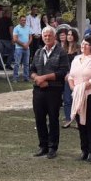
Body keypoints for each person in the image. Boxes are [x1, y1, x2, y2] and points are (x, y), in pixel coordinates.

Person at [30, 27, 70, 159]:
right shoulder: (38, 52)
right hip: (38, 90)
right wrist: (37, 78)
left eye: (49, 35)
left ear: (54, 37)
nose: (47, 38)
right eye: (45, 36)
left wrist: (45, 78)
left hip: (54, 90)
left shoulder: (61, 52)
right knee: (39, 119)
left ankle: (53, 147)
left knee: (53, 119)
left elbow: (63, 72)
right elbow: (32, 69)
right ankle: (43, 146)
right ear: (42, 37)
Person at [68, 36, 91, 162]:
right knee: (80, 124)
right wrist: (74, 88)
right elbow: (70, 76)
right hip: (78, 95)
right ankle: (83, 150)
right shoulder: (76, 59)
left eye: (87, 44)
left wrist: (84, 86)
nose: (84, 46)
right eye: (83, 44)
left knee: (90, 123)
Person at [62, 28, 81, 127]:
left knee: (76, 98)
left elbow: (80, 63)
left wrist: (71, 73)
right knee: (67, 99)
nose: (69, 36)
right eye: (68, 34)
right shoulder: (63, 48)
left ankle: (78, 120)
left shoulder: (79, 48)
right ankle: (68, 119)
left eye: (71, 34)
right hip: (65, 77)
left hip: (75, 76)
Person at [12, 15, 32, 82]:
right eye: (22, 20)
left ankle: (26, 77)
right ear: (19, 20)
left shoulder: (28, 28)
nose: (24, 21)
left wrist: (27, 44)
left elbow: (31, 38)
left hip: (27, 48)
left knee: (26, 64)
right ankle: (15, 78)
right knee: (17, 63)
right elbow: (15, 39)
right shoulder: (16, 28)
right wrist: (23, 44)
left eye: (24, 20)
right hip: (18, 48)